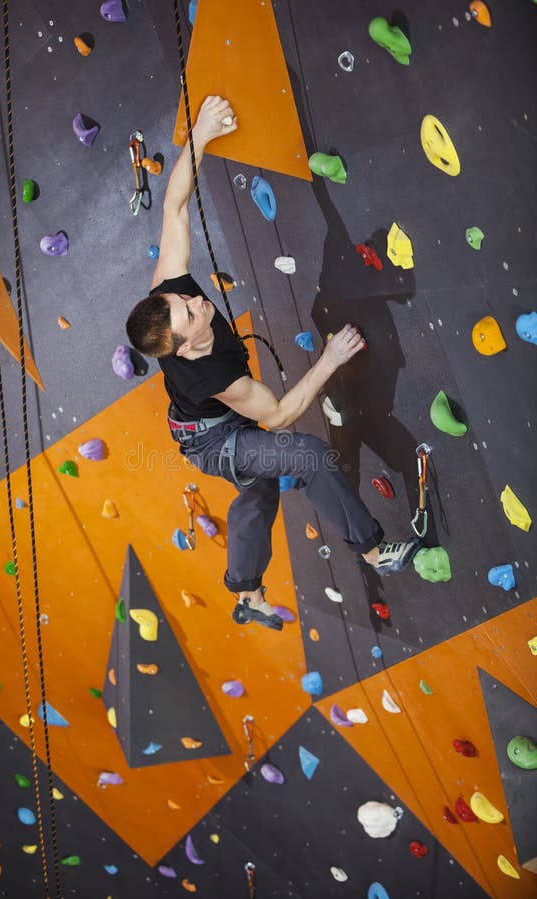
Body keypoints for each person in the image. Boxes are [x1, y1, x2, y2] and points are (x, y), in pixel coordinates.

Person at [126, 95, 420, 631]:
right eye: (190, 314)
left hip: (204, 418)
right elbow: (279, 415)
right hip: (211, 439)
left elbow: (173, 206)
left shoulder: (168, 295)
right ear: (184, 346)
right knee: (303, 455)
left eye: (184, 300)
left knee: (259, 492)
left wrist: (201, 134)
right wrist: (329, 358)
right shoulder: (206, 371)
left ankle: (246, 592)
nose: (196, 301)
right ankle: (372, 549)